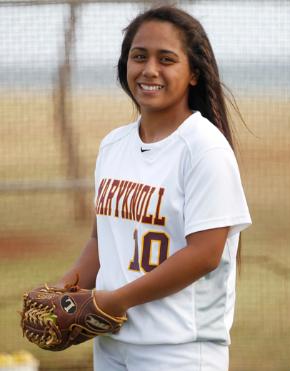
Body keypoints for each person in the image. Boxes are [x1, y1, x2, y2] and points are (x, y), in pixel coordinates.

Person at [57, 5, 251, 371]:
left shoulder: (204, 148)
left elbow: (204, 254)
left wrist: (114, 302)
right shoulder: (114, 145)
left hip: (179, 350)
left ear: (194, 72)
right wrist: (62, 292)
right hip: (112, 343)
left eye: (167, 59)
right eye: (139, 56)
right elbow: (102, 242)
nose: (149, 70)